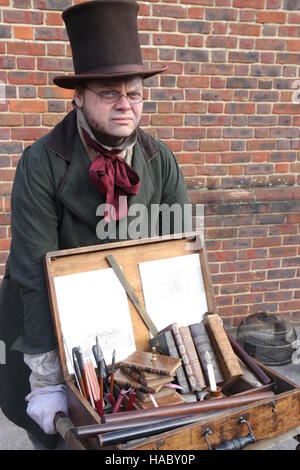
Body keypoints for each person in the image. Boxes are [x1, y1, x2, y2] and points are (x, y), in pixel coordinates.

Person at [0, 0, 190, 449]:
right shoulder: (41, 163)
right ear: (79, 97)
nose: (126, 105)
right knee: (59, 440)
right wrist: (46, 379)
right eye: (109, 93)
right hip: (46, 328)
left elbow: (177, 261)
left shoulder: (160, 160)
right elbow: (32, 272)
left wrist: (178, 348)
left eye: (135, 94)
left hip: (126, 333)